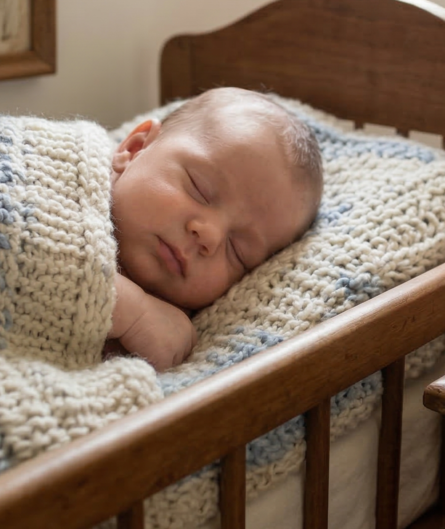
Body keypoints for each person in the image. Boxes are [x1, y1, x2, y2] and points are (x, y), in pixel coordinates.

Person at [105, 88, 324, 370]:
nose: (210, 235)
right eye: (200, 190)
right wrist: (132, 310)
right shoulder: (59, 183)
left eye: (237, 251)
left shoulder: (177, 336)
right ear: (135, 149)